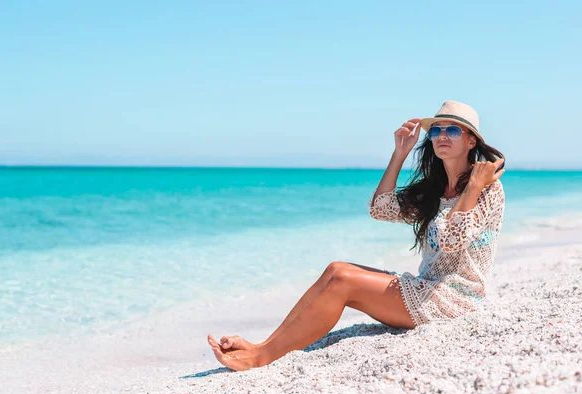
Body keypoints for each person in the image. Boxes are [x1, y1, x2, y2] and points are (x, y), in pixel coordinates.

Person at [207, 100, 506, 371]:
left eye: (452, 130)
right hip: (427, 287)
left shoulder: (488, 189)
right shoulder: (434, 189)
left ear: (471, 141)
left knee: (343, 282)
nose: (441, 135)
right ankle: (264, 346)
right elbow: (380, 208)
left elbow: (452, 240)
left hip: (457, 299)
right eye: (436, 130)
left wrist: (473, 186)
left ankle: (262, 357)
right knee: (336, 269)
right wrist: (399, 154)